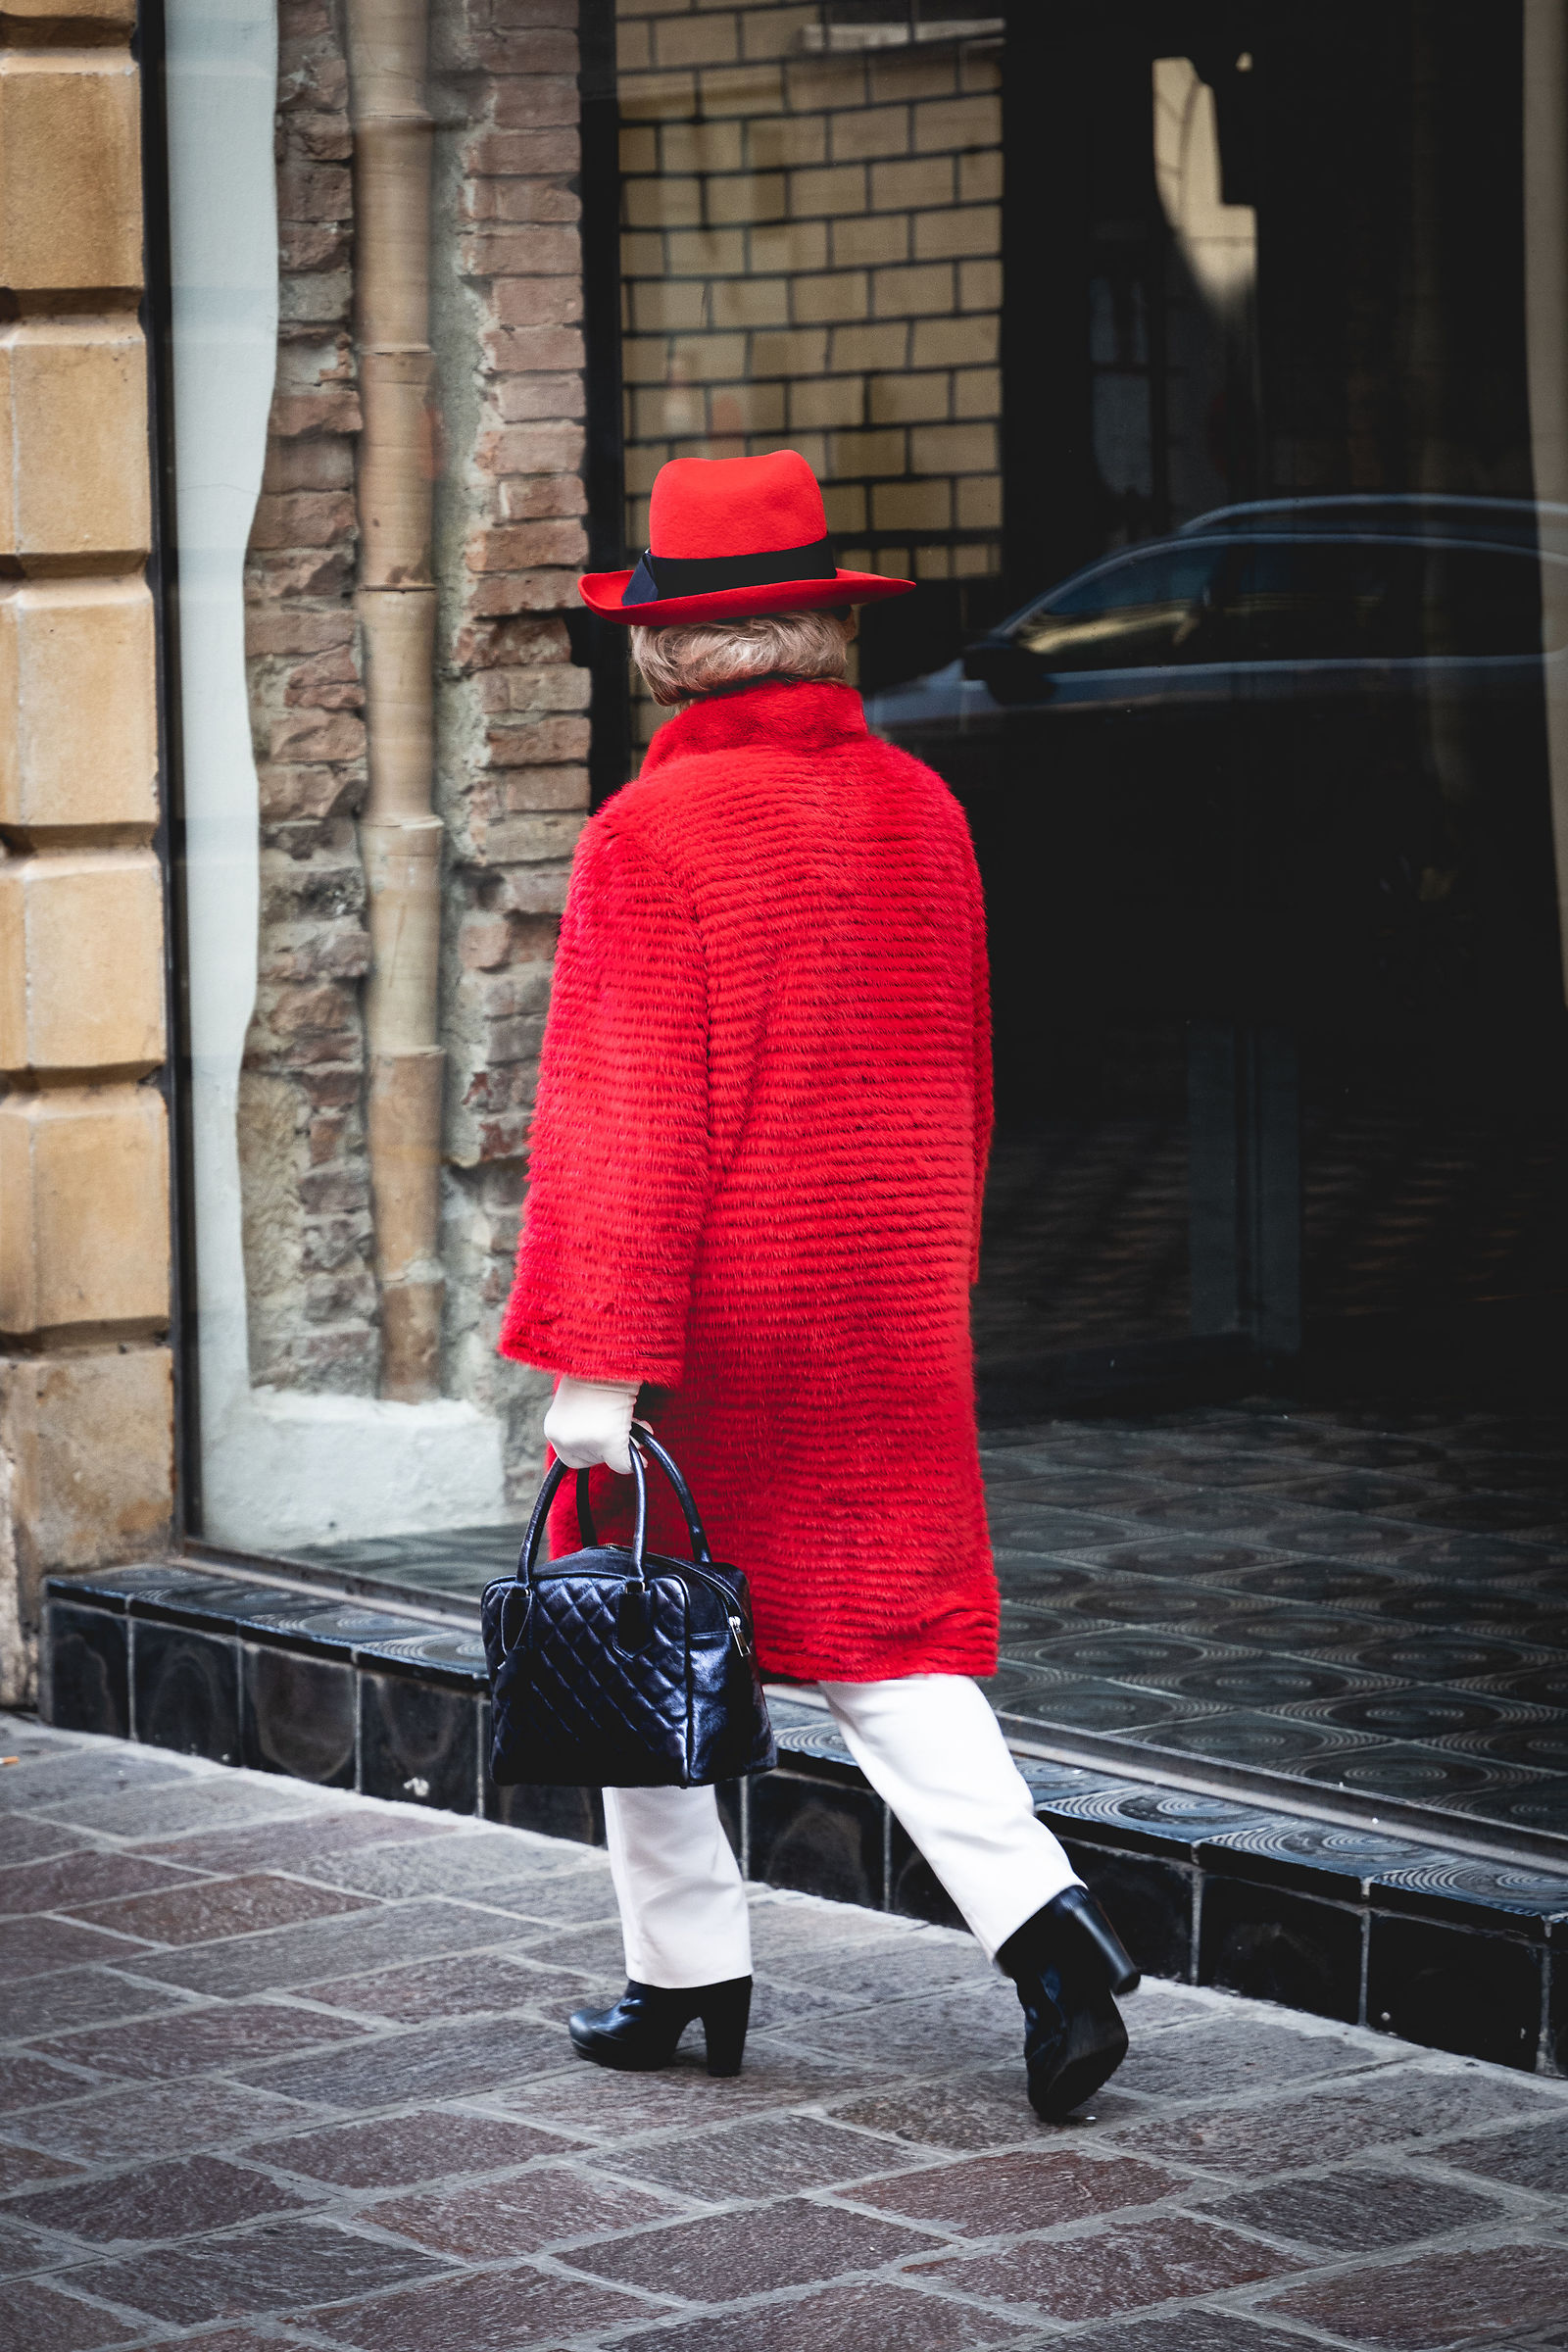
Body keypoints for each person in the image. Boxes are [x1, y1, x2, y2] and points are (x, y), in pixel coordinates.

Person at [499, 449, 1139, 2122]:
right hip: (885, 1294)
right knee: (891, 1641)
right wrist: (928, 1273)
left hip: (714, 1323)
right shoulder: (924, 808)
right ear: (824, 629)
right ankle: (1052, 1936)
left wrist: (594, 1366)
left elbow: (625, 1124)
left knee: (636, 1617)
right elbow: (963, 1080)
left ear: (666, 648)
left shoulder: (650, 835)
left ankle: (685, 1974)